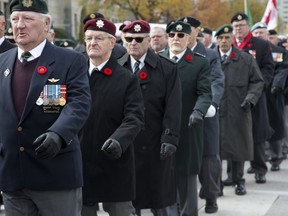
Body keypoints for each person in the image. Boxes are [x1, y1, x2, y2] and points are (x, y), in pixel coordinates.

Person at [0, 0, 91, 215]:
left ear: (47, 23)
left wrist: (58, 134)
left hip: (54, 172)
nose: (19, 25)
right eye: (15, 19)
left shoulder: (70, 60)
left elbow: (79, 104)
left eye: (28, 19)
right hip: (12, 174)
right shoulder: (2, 61)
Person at [80, 18, 144, 216]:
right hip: (81, 162)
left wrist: (119, 140)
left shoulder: (126, 78)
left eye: (99, 38)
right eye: (89, 38)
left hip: (114, 162)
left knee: (121, 211)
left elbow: (134, 117)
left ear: (112, 42)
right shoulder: (75, 74)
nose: (93, 43)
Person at [118, 20, 182, 216]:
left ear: (147, 41)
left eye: (138, 39)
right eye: (129, 39)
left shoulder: (167, 68)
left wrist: (170, 138)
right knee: (129, 197)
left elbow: (173, 107)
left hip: (156, 142)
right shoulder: (117, 68)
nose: (133, 43)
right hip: (127, 142)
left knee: (158, 198)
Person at [161, 19, 212, 216]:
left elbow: (205, 93)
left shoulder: (199, 62)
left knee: (187, 179)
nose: (176, 38)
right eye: (172, 35)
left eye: (180, 35)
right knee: (164, 179)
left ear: (189, 37)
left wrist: (198, 111)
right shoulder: (157, 60)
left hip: (188, 128)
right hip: (162, 129)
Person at [178, 16, 224, 213]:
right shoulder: (172, 53)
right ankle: (181, 202)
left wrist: (210, 104)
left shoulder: (209, 55)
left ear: (197, 32)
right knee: (182, 162)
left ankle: (211, 197)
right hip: (180, 117)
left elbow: (216, 81)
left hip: (204, 116)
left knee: (207, 161)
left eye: (189, 30)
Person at [215, 24, 264, 196]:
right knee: (215, 151)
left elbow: (257, 81)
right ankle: (217, 185)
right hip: (215, 112)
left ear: (232, 39)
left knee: (238, 148)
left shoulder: (245, 59)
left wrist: (250, 99)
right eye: (220, 38)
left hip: (239, 109)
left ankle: (238, 181)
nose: (224, 41)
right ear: (216, 40)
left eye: (227, 38)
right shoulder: (210, 59)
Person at [231, 12, 274, 184]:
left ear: (248, 26)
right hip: (234, 98)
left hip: (255, 98)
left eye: (241, 25)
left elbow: (268, 69)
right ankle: (235, 174)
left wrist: (258, 89)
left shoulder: (261, 45)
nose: (238, 29)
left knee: (257, 136)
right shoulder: (229, 44)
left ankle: (259, 169)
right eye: (235, 26)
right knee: (235, 136)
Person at [251, 22, 288, 171]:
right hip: (256, 95)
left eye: (262, 32)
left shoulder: (278, 52)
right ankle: (257, 161)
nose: (259, 35)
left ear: (268, 35)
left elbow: (283, 69)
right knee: (256, 128)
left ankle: (275, 157)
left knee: (275, 127)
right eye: (257, 33)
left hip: (273, 94)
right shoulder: (249, 51)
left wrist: (276, 85)